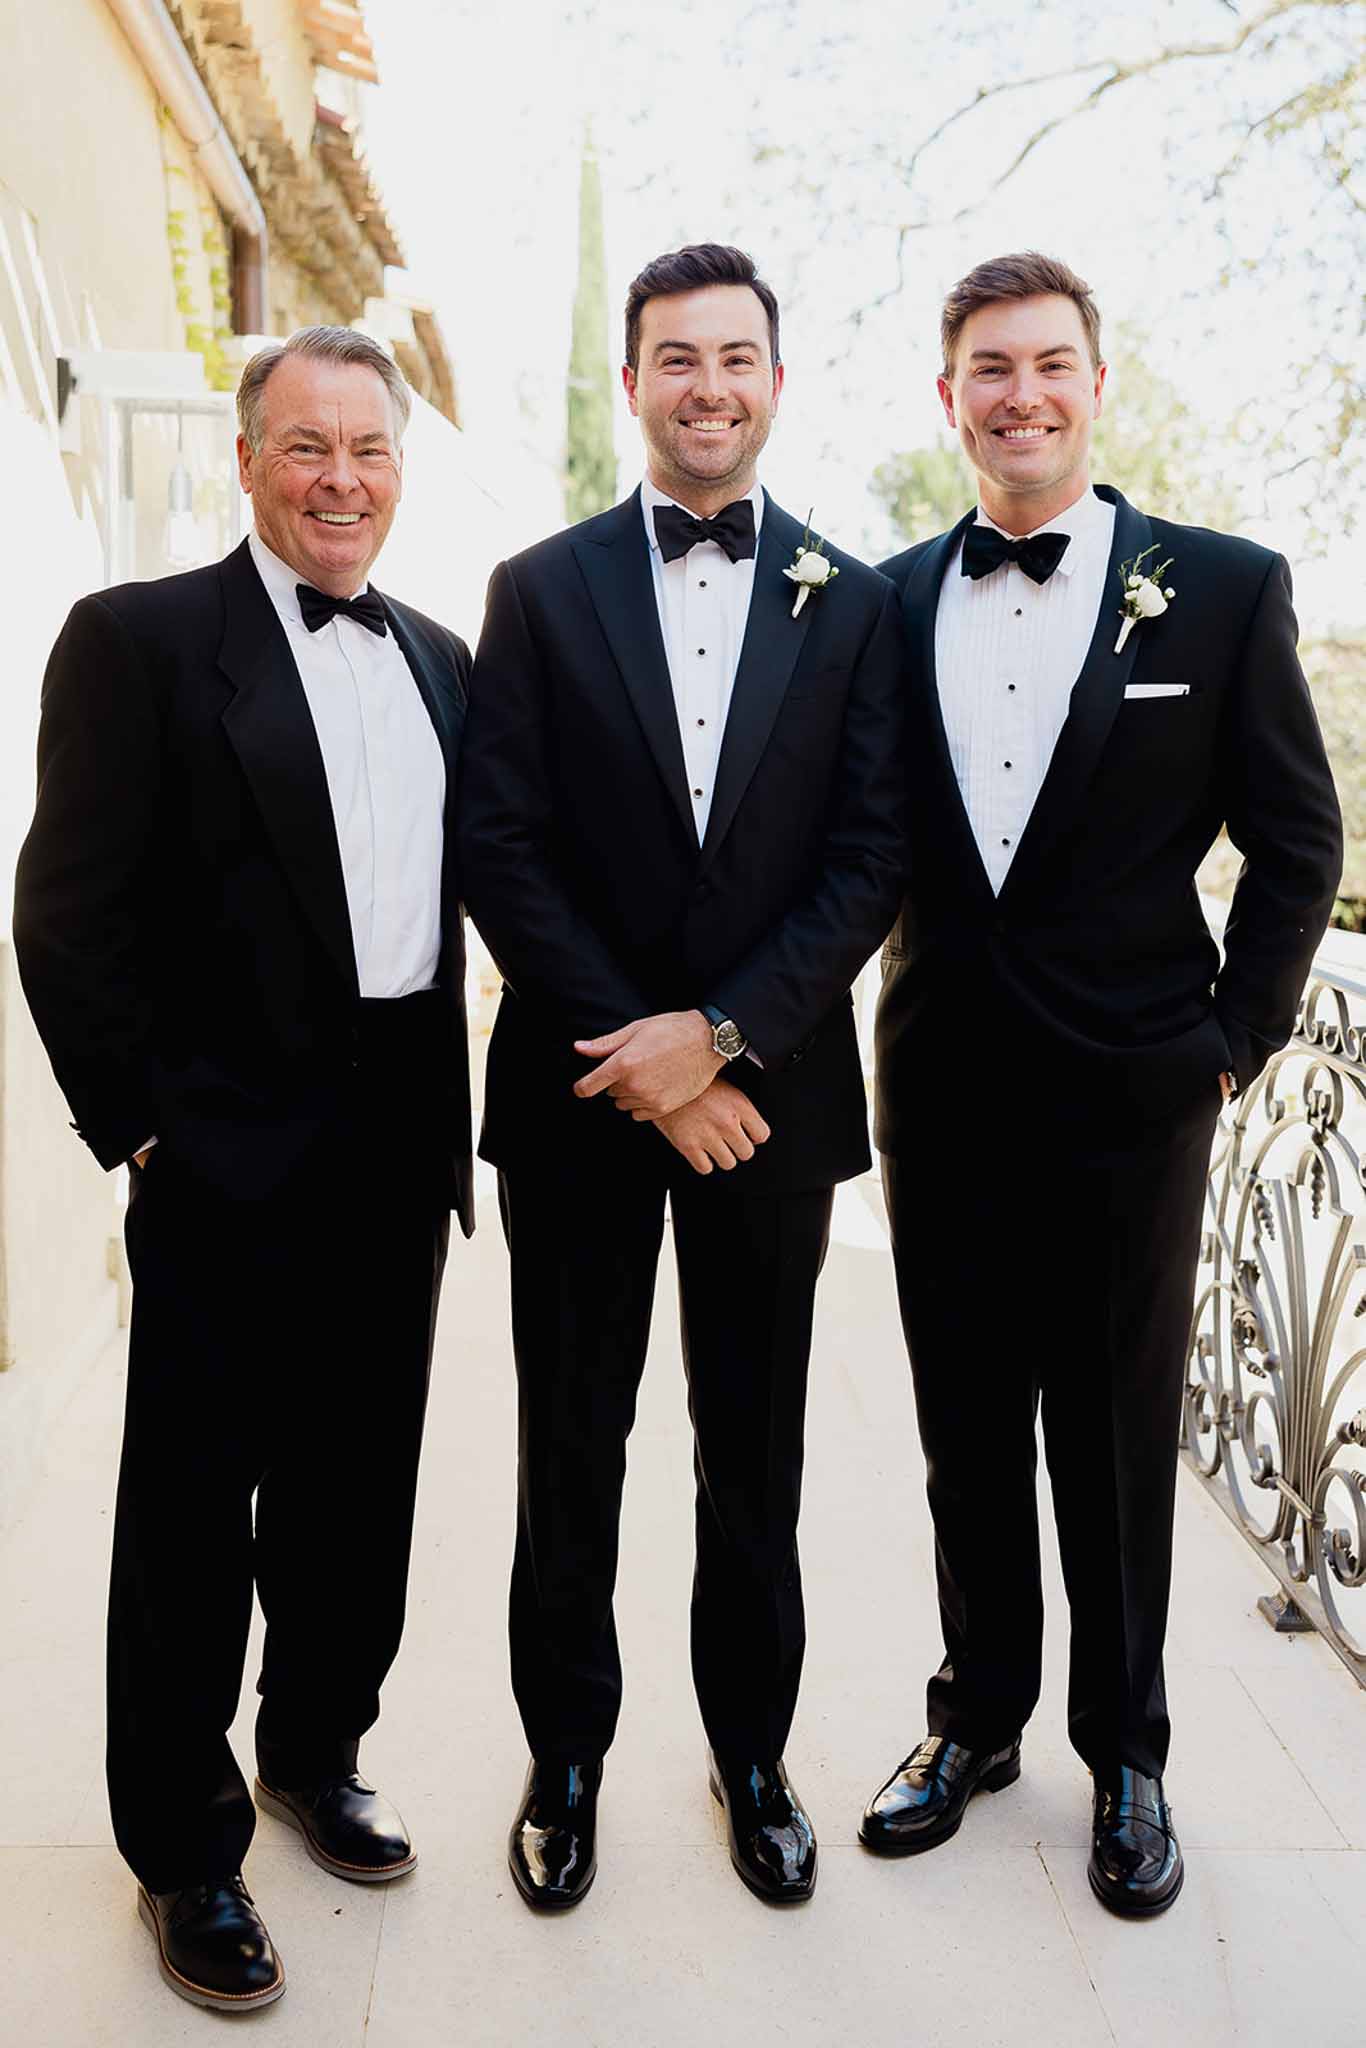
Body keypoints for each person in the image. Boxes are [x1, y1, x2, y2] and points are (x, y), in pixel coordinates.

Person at [862, 252, 1343, 1916]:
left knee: (1118, 1435)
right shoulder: (884, 600)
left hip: (1136, 1090)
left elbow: (1294, 838)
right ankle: (971, 1720)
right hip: (937, 1086)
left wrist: (1230, 1037)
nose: (1020, 395)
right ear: (948, 398)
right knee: (963, 1426)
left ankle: (1124, 1753)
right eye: (988, 369)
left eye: (1049, 364)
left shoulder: (1213, 589)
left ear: (1095, 380)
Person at [13, 327, 473, 2010]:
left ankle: (316, 1750)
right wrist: (140, 1127)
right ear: (248, 458)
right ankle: (185, 1853)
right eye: (306, 448)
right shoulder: (137, 642)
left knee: (360, 1491)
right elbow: (65, 915)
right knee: (196, 1516)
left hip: (395, 1153)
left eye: (367, 452)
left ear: (398, 471)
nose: (339, 480)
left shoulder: (441, 660)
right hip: (221, 1152)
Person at [459, 243, 905, 1910]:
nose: (705, 385)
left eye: (735, 357)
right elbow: (497, 845)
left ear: (773, 385)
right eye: (673, 356)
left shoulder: (853, 603)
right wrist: (645, 1058)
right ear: (633, 382)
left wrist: (720, 1040)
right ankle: (562, 1756)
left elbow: (868, 858)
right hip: (580, 1094)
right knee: (568, 1441)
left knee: (755, 1453)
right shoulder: (538, 585)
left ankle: (750, 1755)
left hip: (764, 1109)